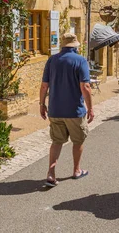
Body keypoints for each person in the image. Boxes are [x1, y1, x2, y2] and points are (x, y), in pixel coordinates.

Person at [39, 33, 94, 187]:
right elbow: (86, 86)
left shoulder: (52, 60)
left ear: (62, 45)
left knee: (56, 142)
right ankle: (76, 170)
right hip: (74, 110)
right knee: (78, 140)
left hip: (55, 110)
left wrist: (42, 104)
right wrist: (90, 108)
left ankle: (51, 173)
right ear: (76, 45)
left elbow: (44, 85)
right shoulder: (81, 60)